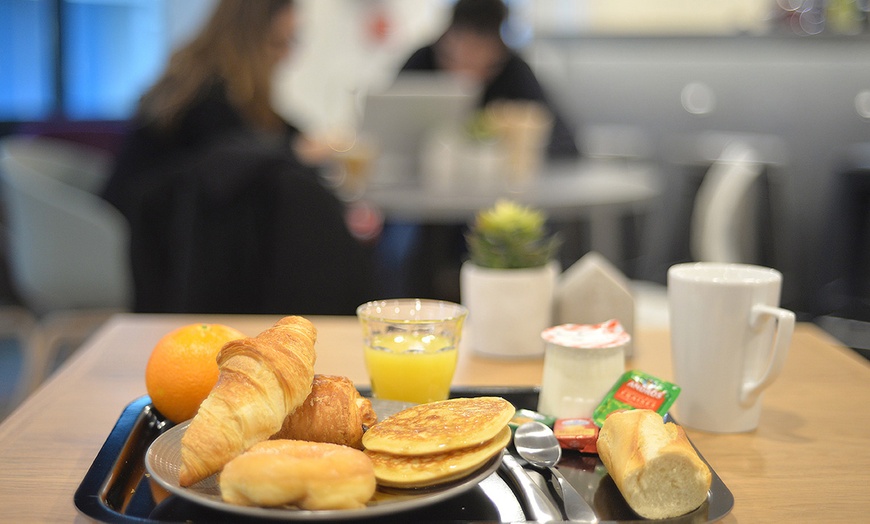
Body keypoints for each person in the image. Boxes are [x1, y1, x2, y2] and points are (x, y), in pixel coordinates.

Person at [102, 0, 374, 315]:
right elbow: (228, 162)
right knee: (293, 201)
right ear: (249, 38)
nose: (287, 54)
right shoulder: (203, 94)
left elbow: (270, 137)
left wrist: (302, 145)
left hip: (163, 227)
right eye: (278, 42)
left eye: (292, 41)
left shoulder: (211, 84)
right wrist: (296, 151)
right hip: (147, 232)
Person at [400, 0, 579, 159]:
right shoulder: (421, 61)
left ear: (498, 47)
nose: (467, 66)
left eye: (479, 51)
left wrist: (508, 141)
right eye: (457, 55)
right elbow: (383, 124)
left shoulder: (514, 70)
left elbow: (566, 142)